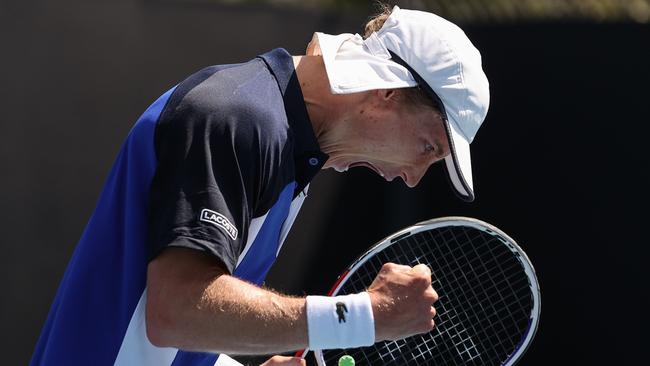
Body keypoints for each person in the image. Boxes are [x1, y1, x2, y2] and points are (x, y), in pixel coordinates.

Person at [31, 4, 489, 366]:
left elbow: (156, 329)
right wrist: (362, 317)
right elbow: (175, 312)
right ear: (387, 92)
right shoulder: (239, 118)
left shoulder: (289, 145)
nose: (411, 177)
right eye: (429, 148)